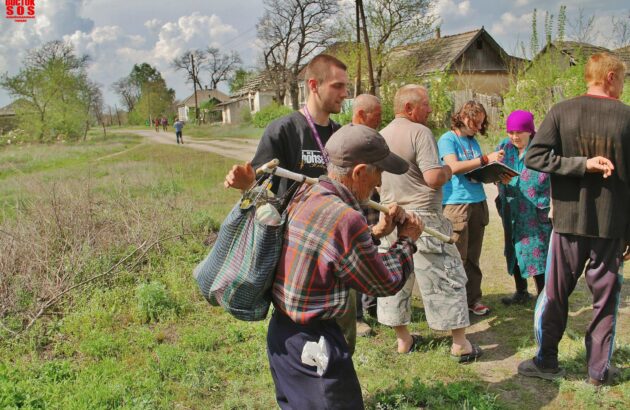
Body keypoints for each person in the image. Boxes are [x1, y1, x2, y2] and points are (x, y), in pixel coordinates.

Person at [267, 123, 424, 409]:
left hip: (282, 337)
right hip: (315, 344)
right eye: (378, 173)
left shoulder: (305, 193)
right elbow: (384, 281)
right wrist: (406, 241)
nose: (378, 184)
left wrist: (374, 233)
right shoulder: (346, 218)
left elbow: (330, 254)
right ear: (360, 172)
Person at [224, 54, 366, 354]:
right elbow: (263, 198)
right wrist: (246, 184)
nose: (345, 93)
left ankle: (339, 389)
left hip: (339, 253)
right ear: (314, 85)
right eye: (338, 86)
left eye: (346, 86)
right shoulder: (284, 130)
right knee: (304, 343)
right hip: (299, 257)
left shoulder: (342, 135)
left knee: (343, 338)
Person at [519, 53, 630, 387]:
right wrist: (584, 164)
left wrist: (575, 164)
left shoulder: (561, 111)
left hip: (567, 224)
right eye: (623, 78)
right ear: (610, 76)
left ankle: (546, 360)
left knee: (555, 293)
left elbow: (534, 156)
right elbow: (537, 156)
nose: (624, 85)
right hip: (610, 226)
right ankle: (598, 371)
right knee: (605, 299)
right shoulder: (627, 117)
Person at [376, 85, 480, 361]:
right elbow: (433, 178)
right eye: (426, 104)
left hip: (389, 217)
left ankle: (403, 340)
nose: (431, 109)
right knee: (446, 275)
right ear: (409, 108)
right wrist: (447, 170)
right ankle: (460, 345)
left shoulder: (381, 135)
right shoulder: (419, 132)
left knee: (395, 278)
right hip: (423, 218)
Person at [437, 101, 506, 317]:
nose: (477, 127)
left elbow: (475, 170)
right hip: (457, 205)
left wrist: (494, 171)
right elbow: (454, 167)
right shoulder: (448, 139)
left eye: (481, 124)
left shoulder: (472, 141)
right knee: (457, 257)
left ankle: (473, 299)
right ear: (463, 116)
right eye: (475, 122)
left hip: (478, 202)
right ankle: (453, 305)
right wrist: (485, 159)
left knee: (473, 258)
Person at [495, 110, 550, 305]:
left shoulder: (542, 149)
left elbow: (555, 177)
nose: (514, 137)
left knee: (537, 252)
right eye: (511, 132)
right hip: (511, 207)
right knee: (514, 248)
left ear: (530, 130)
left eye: (519, 132)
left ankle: (544, 297)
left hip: (535, 211)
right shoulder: (504, 146)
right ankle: (521, 292)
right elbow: (493, 171)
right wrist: (497, 175)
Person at [351, 93, 382, 338]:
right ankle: (357, 317)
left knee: (373, 250)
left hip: (373, 202)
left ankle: (372, 306)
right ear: (361, 114)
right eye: (377, 117)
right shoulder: (346, 139)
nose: (380, 121)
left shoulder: (374, 139)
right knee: (356, 255)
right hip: (353, 204)